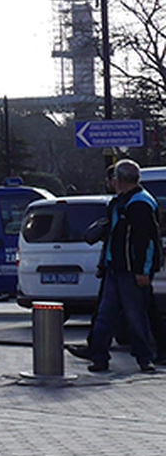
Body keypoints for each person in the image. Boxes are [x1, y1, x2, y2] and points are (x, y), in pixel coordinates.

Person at [84, 158, 159, 375]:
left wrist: (142, 271)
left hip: (130, 271)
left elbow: (146, 241)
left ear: (119, 180)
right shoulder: (121, 202)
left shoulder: (139, 204)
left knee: (135, 316)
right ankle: (99, 357)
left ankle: (144, 358)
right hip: (115, 268)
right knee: (106, 315)